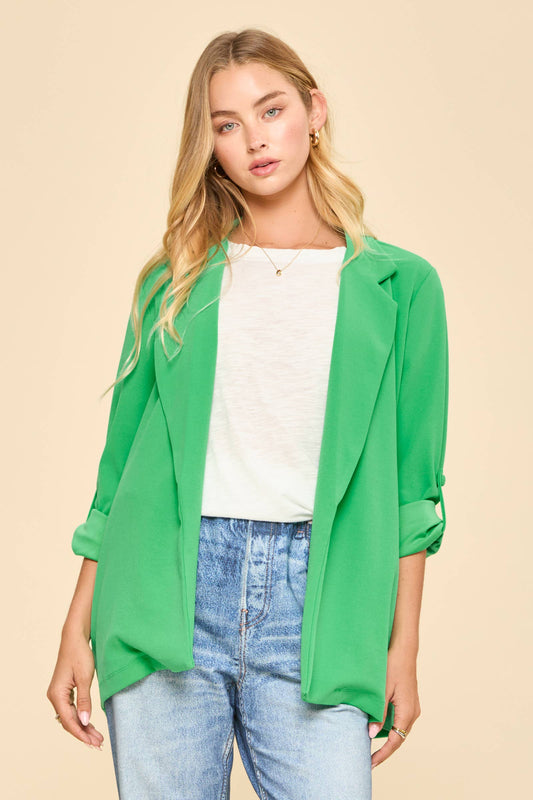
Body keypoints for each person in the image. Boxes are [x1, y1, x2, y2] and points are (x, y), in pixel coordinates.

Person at [47, 27, 449, 799]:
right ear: (210, 146)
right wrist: (78, 624)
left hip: (321, 603)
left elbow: (412, 490)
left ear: (314, 111)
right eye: (226, 125)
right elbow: (119, 468)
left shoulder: (401, 289)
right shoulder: (173, 283)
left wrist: (403, 649)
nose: (255, 140)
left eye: (271, 110)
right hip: (165, 589)